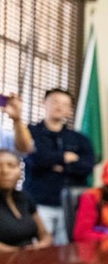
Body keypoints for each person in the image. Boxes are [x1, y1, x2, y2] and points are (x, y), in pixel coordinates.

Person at [24, 88, 95, 245]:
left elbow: (87, 166)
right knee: (38, 251)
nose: (59, 106)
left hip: (70, 206)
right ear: (44, 103)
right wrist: (65, 157)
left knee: (67, 252)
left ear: (70, 111)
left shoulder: (79, 139)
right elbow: (36, 159)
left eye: (65, 104)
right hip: (38, 203)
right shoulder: (30, 132)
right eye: (55, 101)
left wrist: (62, 166)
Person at [0, 149, 52, 251]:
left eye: (11, 165)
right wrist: (19, 253)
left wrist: (42, 244)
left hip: (30, 259)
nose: (4, 171)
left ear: (20, 172)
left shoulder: (25, 197)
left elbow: (44, 234)